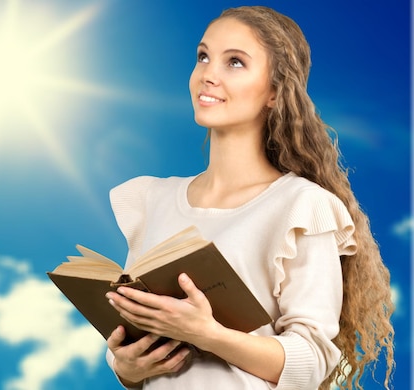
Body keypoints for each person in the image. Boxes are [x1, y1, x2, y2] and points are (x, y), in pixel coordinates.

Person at [103, 6, 394, 390]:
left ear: (275, 91)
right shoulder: (153, 198)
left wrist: (207, 334)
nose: (208, 74)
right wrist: (128, 367)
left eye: (235, 62)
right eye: (203, 56)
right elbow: (131, 343)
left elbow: (313, 363)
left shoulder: (300, 206)